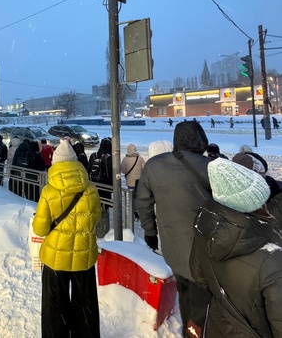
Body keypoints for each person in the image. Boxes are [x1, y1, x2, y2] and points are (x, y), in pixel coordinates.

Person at [136, 121, 212, 337]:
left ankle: (188, 330)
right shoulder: (208, 166)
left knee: (185, 292)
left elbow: (142, 202)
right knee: (205, 303)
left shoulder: (154, 166)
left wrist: (150, 232)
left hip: (173, 248)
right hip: (206, 251)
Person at [190, 158, 282, 336]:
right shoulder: (271, 257)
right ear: (252, 203)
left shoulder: (206, 230)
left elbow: (199, 277)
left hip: (219, 325)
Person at [32, 139, 102, 338]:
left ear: (55, 163)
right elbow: (96, 217)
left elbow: (40, 228)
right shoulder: (90, 189)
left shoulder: (49, 191)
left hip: (55, 258)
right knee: (85, 303)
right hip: (85, 255)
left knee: (55, 305)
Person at [120, 143, 146, 220]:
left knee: (132, 198)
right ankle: (139, 211)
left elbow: (123, 172)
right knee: (138, 197)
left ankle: (134, 212)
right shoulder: (140, 158)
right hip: (139, 182)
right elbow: (144, 169)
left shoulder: (125, 159)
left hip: (130, 183)